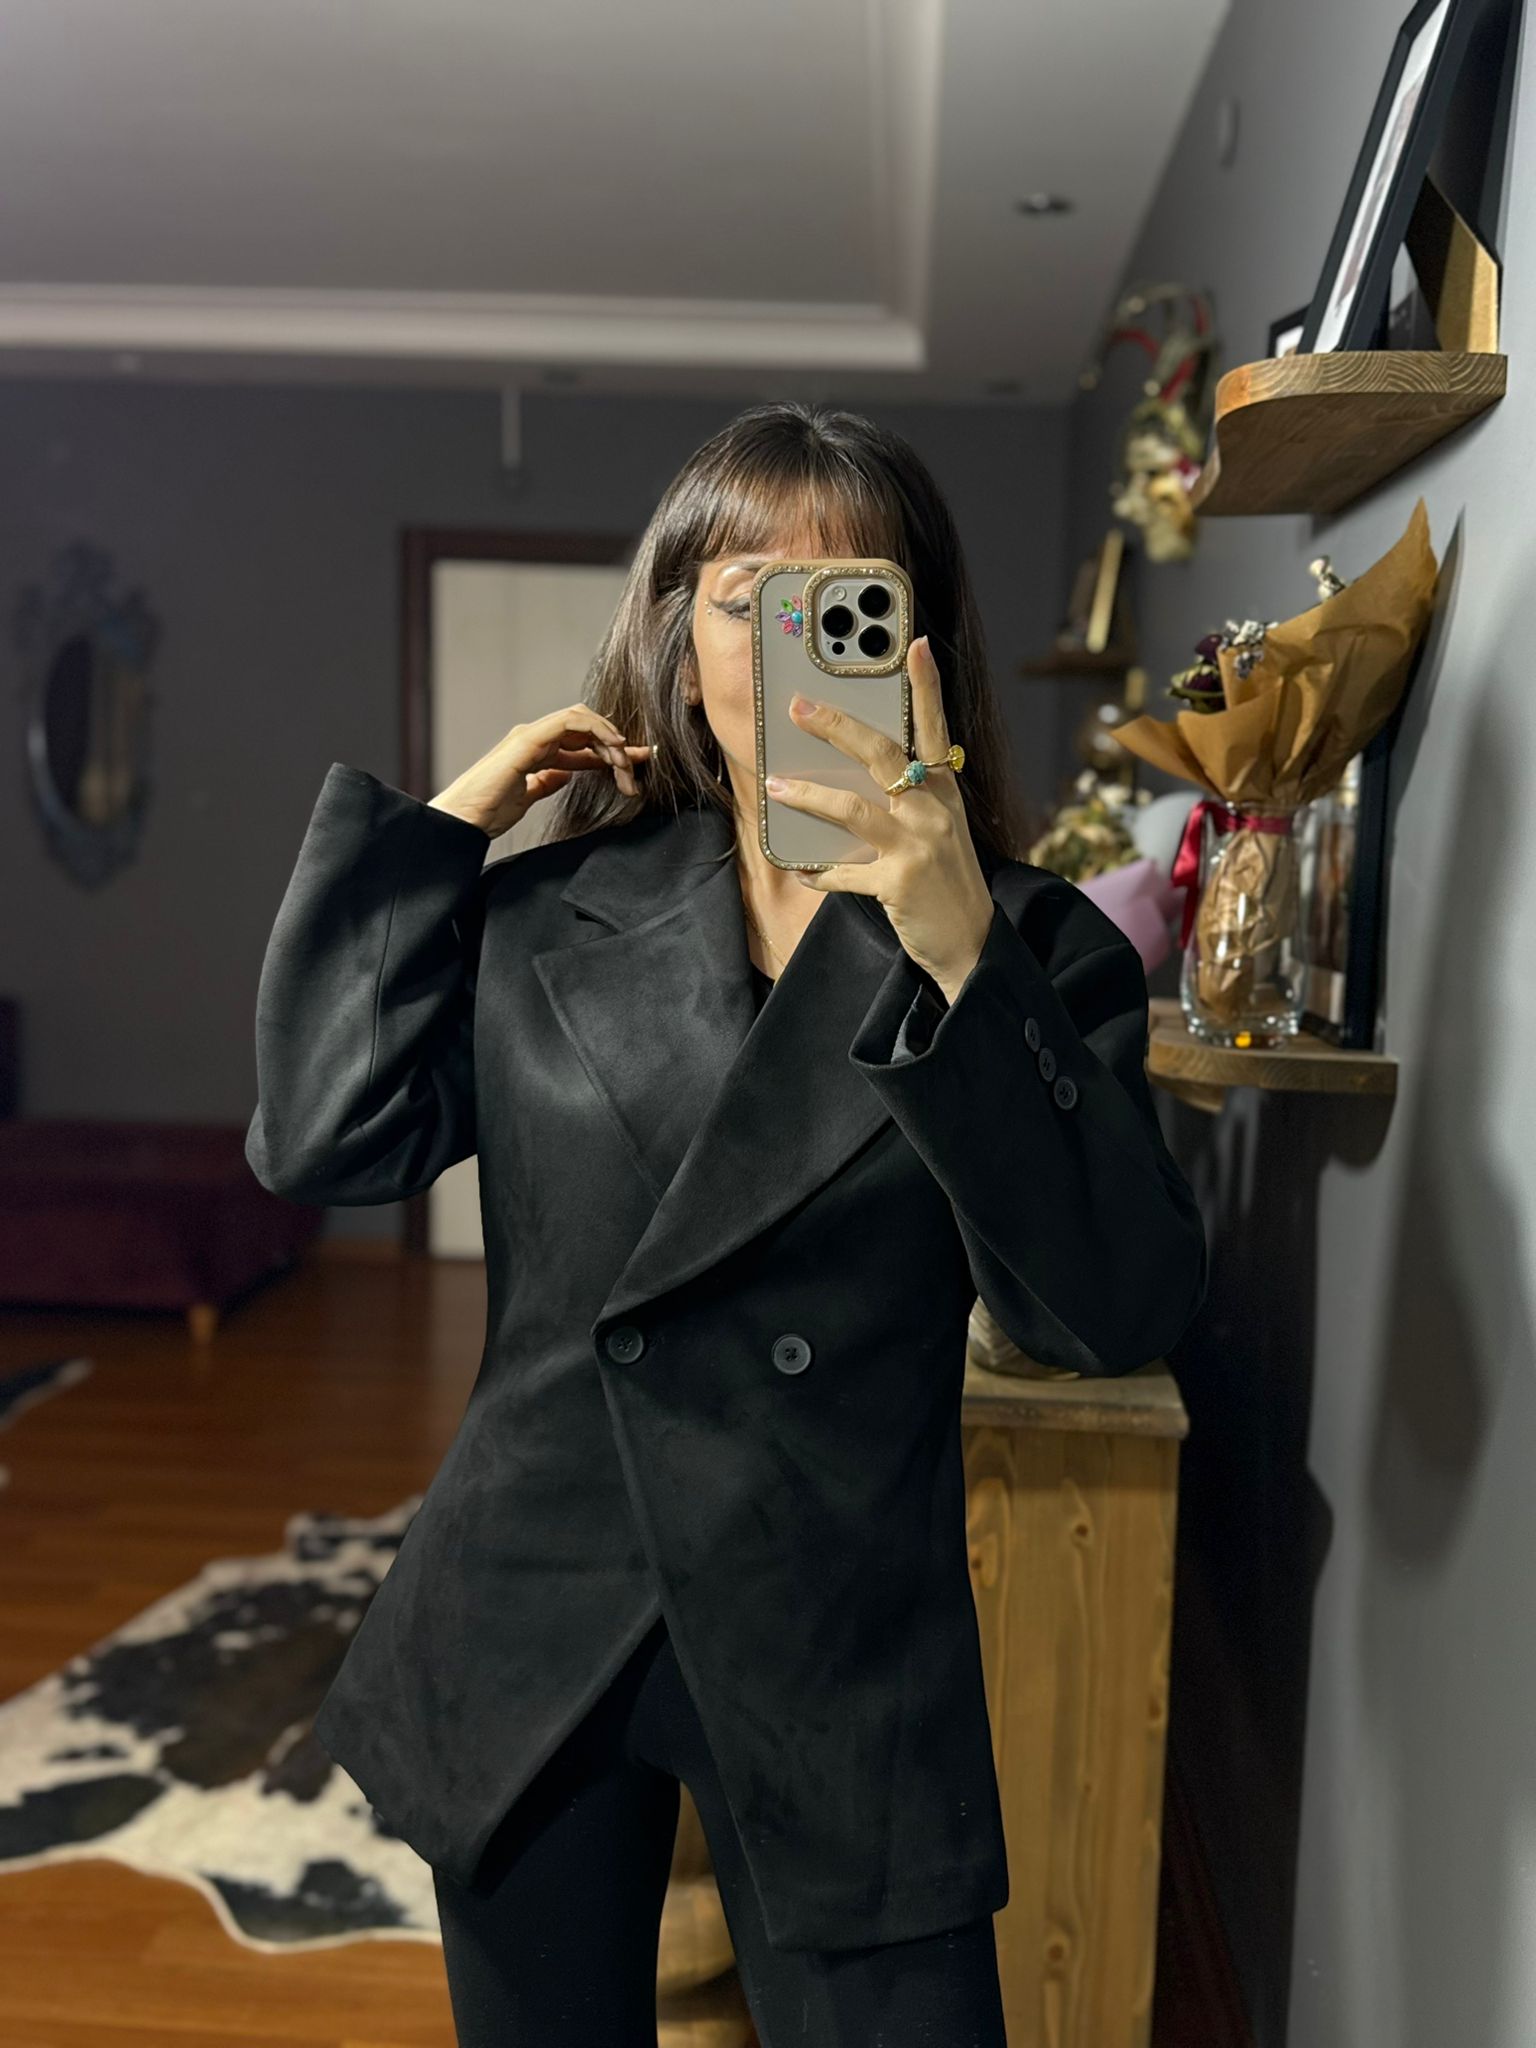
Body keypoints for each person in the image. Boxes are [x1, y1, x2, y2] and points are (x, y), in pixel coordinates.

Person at [245, 401, 1209, 2046]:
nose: (788, 645)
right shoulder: (552, 910)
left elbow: (1106, 1312)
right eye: (746, 598)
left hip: (842, 1637)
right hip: (537, 1603)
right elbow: (323, 1137)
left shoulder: (1037, 952)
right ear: (680, 649)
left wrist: (960, 947)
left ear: (917, 644)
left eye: (845, 601)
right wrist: (448, 832)